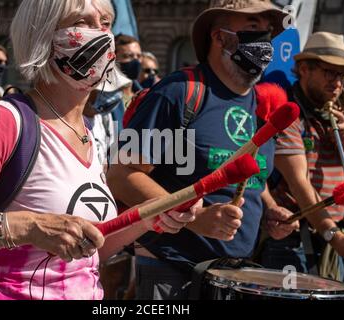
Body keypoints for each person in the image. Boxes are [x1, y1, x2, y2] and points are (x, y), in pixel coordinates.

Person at [0, 0, 195, 300]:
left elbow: (86, 253)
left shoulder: (85, 131)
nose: (101, 35)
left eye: (105, 23)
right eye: (82, 23)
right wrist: (28, 226)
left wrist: (148, 218)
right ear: (43, 36)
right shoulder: (7, 121)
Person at [107, 0, 299, 300]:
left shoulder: (259, 106)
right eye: (252, 28)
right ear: (219, 36)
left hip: (238, 274)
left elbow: (248, 173)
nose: (264, 40)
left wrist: (270, 209)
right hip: (171, 271)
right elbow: (121, 175)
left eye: (267, 30)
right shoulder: (177, 94)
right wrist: (196, 218)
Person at [261, 32, 344, 280]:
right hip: (293, 237)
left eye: (342, 75)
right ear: (304, 69)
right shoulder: (288, 115)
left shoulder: (338, 116)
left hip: (335, 233)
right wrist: (334, 236)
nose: (338, 83)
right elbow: (299, 184)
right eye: (329, 72)